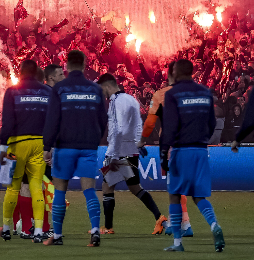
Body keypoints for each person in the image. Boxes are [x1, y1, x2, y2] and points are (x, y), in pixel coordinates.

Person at [160, 59, 225, 252]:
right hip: (201, 150)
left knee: (174, 194)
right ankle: (214, 225)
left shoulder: (172, 94)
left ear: (176, 72)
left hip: (181, 150)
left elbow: (170, 126)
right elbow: (212, 123)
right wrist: (202, 137)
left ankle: (177, 243)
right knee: (199, 196)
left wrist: (163, 152)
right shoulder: (205, 92)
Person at [42, 50, 106, 247]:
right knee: (90, 190)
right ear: (85, 65)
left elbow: (52, 119)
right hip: (88, 146)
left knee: (60, 191)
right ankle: (95, 231)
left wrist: (47, 145)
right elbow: (103, 119)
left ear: (67, 66)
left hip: (65, 146)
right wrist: (94, 138)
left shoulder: (59, 88)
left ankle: (57, 235)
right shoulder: (95, 89)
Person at [96, 74, 167, 235]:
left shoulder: (116, 101)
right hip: (131, 150)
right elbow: (137, 125)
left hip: (119, 151)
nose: (102, 93)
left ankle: (108, 227)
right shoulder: (130, 99)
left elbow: (119, 129)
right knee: (135, 187)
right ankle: (159, 217)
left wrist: (114, 155)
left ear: (107, 86)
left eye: (102, 89)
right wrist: (137, 143)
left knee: (107, 186)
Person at [0, 60, 51, 243]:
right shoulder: (47, 92)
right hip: (39, 144)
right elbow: (53, 120)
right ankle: (38, 231)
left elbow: (7, 121)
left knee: (13, 187)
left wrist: (3, 147)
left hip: (16, 144)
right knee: (36, 187)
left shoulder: (12, 91)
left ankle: (6, 228)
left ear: (20, 72)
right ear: (36, 72)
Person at [141, 62, 192, 236]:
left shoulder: (161, 94)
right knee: (179, 185)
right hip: (191, 144)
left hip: (171, 145)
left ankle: (181, 224)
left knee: (174, 185)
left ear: (169, 74)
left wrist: (141, 141)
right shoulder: (193, 93)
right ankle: (182, 223)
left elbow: (150, 124)